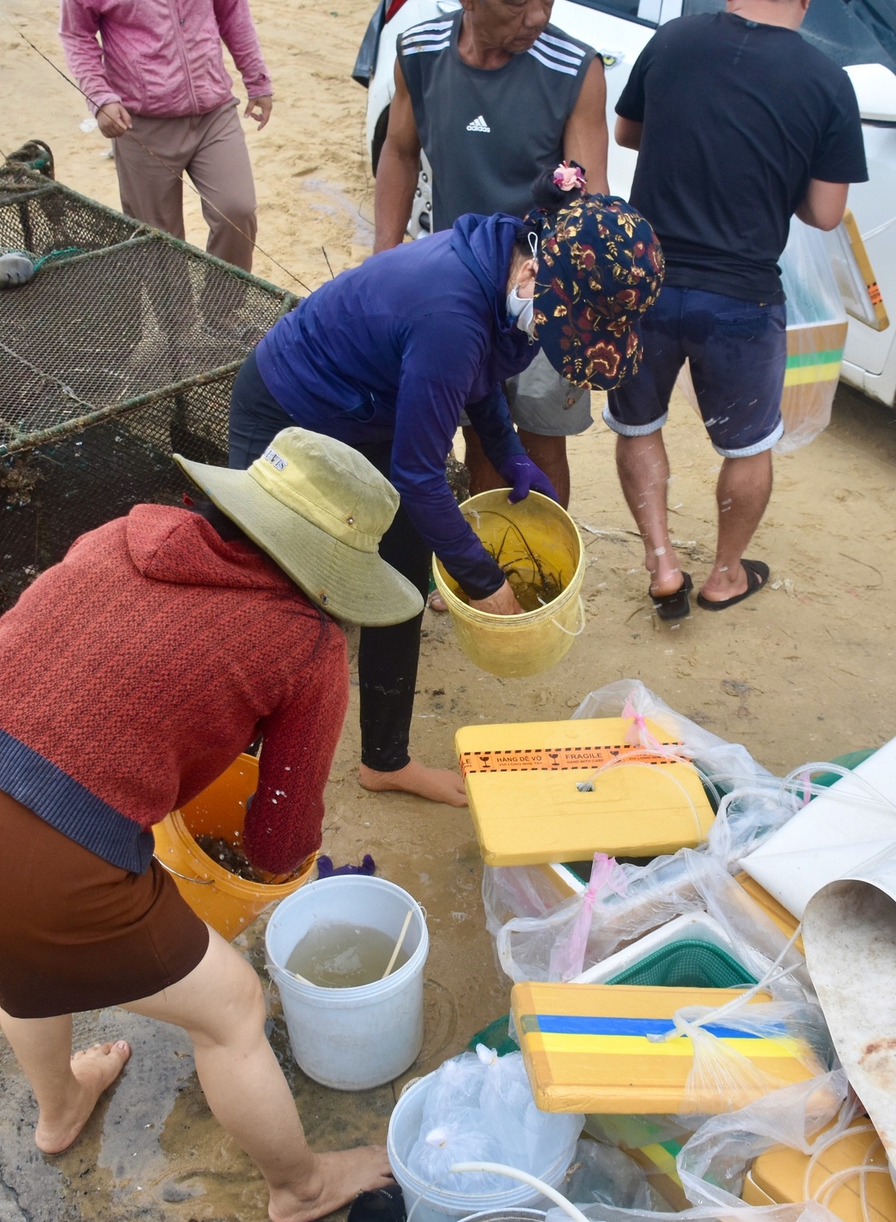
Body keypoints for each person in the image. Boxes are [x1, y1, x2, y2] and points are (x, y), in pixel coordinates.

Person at [0, 428, 422, 1222]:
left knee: (12, 952)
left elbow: (66, 680)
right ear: (335, 569)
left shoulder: (125, 532)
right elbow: (279, 835)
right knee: (232, 1010)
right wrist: (284, 863)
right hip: (42, 851)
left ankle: (60, 1108)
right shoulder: (306, 642)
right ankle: (301, 1188)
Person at [234, 164, 661, 806]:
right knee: (270, 587)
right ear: (531, 276)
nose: (558, 340)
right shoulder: (451, 314)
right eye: (568, 327)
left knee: (403, 580)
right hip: (291, 407)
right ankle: (232, 749)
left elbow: (479, 377)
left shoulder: (513, 273)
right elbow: (418, 472)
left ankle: (384, 761)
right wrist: (484, 580)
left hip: (376, 404)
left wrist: (509, 453)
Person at [607, 0, 866, 620]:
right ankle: (724, 573)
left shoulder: (674, 40)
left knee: (637, 428)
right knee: (748, 445)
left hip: (647, 282)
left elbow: (628, 131)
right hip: (742, 300)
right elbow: (823, 214)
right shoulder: (825, 80)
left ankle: (662, 563)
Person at [373, 0, 610, 506]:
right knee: (481, 436)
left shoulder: (575, 71)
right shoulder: (420, 52)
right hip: (456, 291)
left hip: (542, 292)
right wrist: (382, 262)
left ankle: (546, 571)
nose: (538, 14)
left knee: (540, 443)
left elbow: (591, 199)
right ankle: (489, 555)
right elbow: (399, 154)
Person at [60, 0, 272, 272]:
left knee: (237, 211)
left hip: (213, 111)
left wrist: (256, 78)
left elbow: (233, 9)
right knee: (159, 241)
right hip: (139, 124)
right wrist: (101, 98)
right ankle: (178, 328)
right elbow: (76, 35)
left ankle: (222, 316)